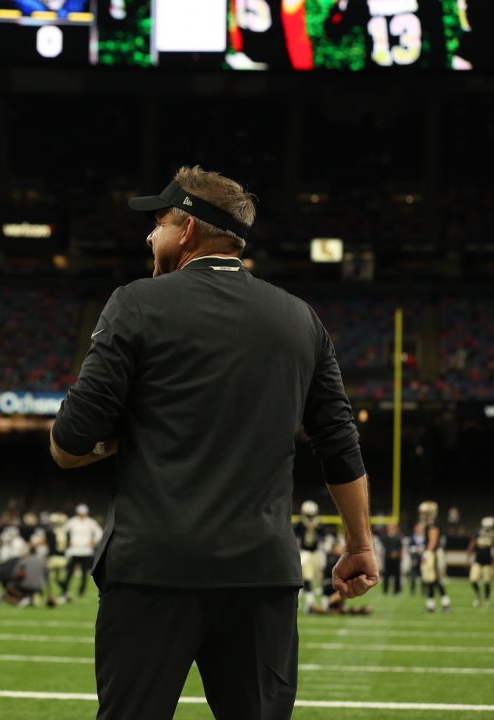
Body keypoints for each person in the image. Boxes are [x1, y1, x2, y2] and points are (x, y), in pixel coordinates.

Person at [49, 165, 377, 720]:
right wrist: (360, 543)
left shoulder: (135, 303)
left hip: (154, 567)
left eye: (158, 222)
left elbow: (69, 441)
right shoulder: (301, 318)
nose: (150, 236)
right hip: (261, 571)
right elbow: (339, 442)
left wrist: (118, 440)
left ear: (188, 230)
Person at [61, 503, 102, 602]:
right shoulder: (72, 521)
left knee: (84, 573)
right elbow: (63, 531)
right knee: (69, 572)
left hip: (86, 551)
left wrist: (93, 542)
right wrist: (68, 540)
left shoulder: (91, 522)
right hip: (74, 550)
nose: (82, 515)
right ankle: (65, 590)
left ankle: (81, 592)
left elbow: (99, 533)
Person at [418, 500, 451, 613]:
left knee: (436, 580)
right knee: (430, 580)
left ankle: (446, 604)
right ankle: (431, 605)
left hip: (434, 554)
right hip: (433, 553)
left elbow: (433, 540)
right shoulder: (430, 523)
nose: (422, 515)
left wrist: (427, 553)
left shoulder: (433, 524)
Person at [295, 500, 327, 608]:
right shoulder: (300, 524)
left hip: (316, 552)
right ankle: (309, 601)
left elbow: (324, 537)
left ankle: (320, 599)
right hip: (305, 552)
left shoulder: (319, 524)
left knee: (320, 577)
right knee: (306, 577)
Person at [468, 515, 494, 607]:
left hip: (488, 560)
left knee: (487, 582)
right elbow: (473, 544)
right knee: (473, 579)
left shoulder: (493, 534)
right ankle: (478, 595)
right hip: (478, 559)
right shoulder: (478, 532)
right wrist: (468, 556)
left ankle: (487, 599)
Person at [381, 523, 404, 595]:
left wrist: (397, 553)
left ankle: (397, 590)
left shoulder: (399, 537)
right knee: (386, 576)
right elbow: (384, 547)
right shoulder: (385, 537)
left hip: (396, 560)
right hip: (388, 559)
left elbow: (400, 547)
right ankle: (385, 590)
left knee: (397, 575)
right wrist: (390, 553)